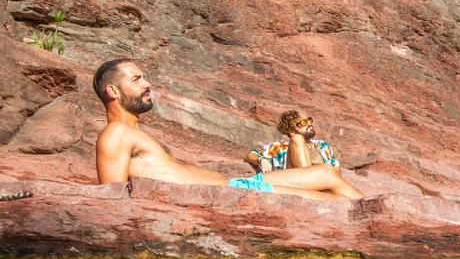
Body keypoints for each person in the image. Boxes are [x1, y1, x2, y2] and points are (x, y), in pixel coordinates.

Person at [92, 59, 365, 201]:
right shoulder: (116, 134)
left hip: (235, 185)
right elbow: (112, 196)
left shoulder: (134, 134)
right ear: (113, 91)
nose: (147, 84)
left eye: (144, 77)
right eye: (136, 79)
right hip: (234, 195)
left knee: (326, 173)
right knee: (334, 201)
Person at [244, 110, 338, 173]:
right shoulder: (280, 147)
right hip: (297, 182)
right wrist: (261, 159)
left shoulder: (323, 146)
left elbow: (336, 171)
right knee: (298, 140)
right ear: (292, 131)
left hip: (324, 184)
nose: (309, 123)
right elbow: (250, 155)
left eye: (309, 120)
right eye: (303, 123)